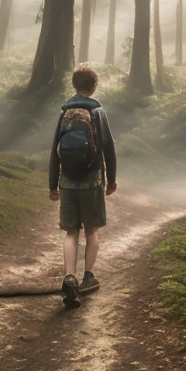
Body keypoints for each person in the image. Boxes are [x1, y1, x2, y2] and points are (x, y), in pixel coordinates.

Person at [48, 63, 117, 309]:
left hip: (67, 181)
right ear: (94, 85)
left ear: (74, 85)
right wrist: (112, 179)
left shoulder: (65, 111)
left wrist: (52, 184)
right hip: (92, 181)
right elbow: (108, 147)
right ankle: (88, 276)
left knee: (70, 232)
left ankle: (69, 277)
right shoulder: (98, 111)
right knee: (92, 230)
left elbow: (56, 150)